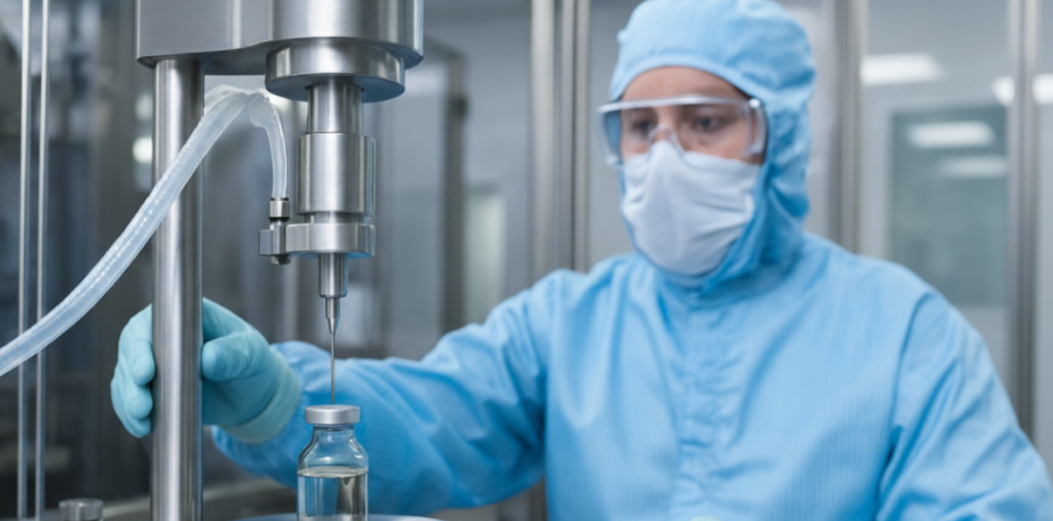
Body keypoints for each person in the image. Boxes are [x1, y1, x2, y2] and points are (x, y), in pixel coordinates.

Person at [110, 0, 1053, 518]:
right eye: (640, 126)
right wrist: (279, 401)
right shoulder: (568, 322)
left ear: (785, 137)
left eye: (707, 121)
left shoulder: (901, 332)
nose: (666, 155)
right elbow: (436, 421)